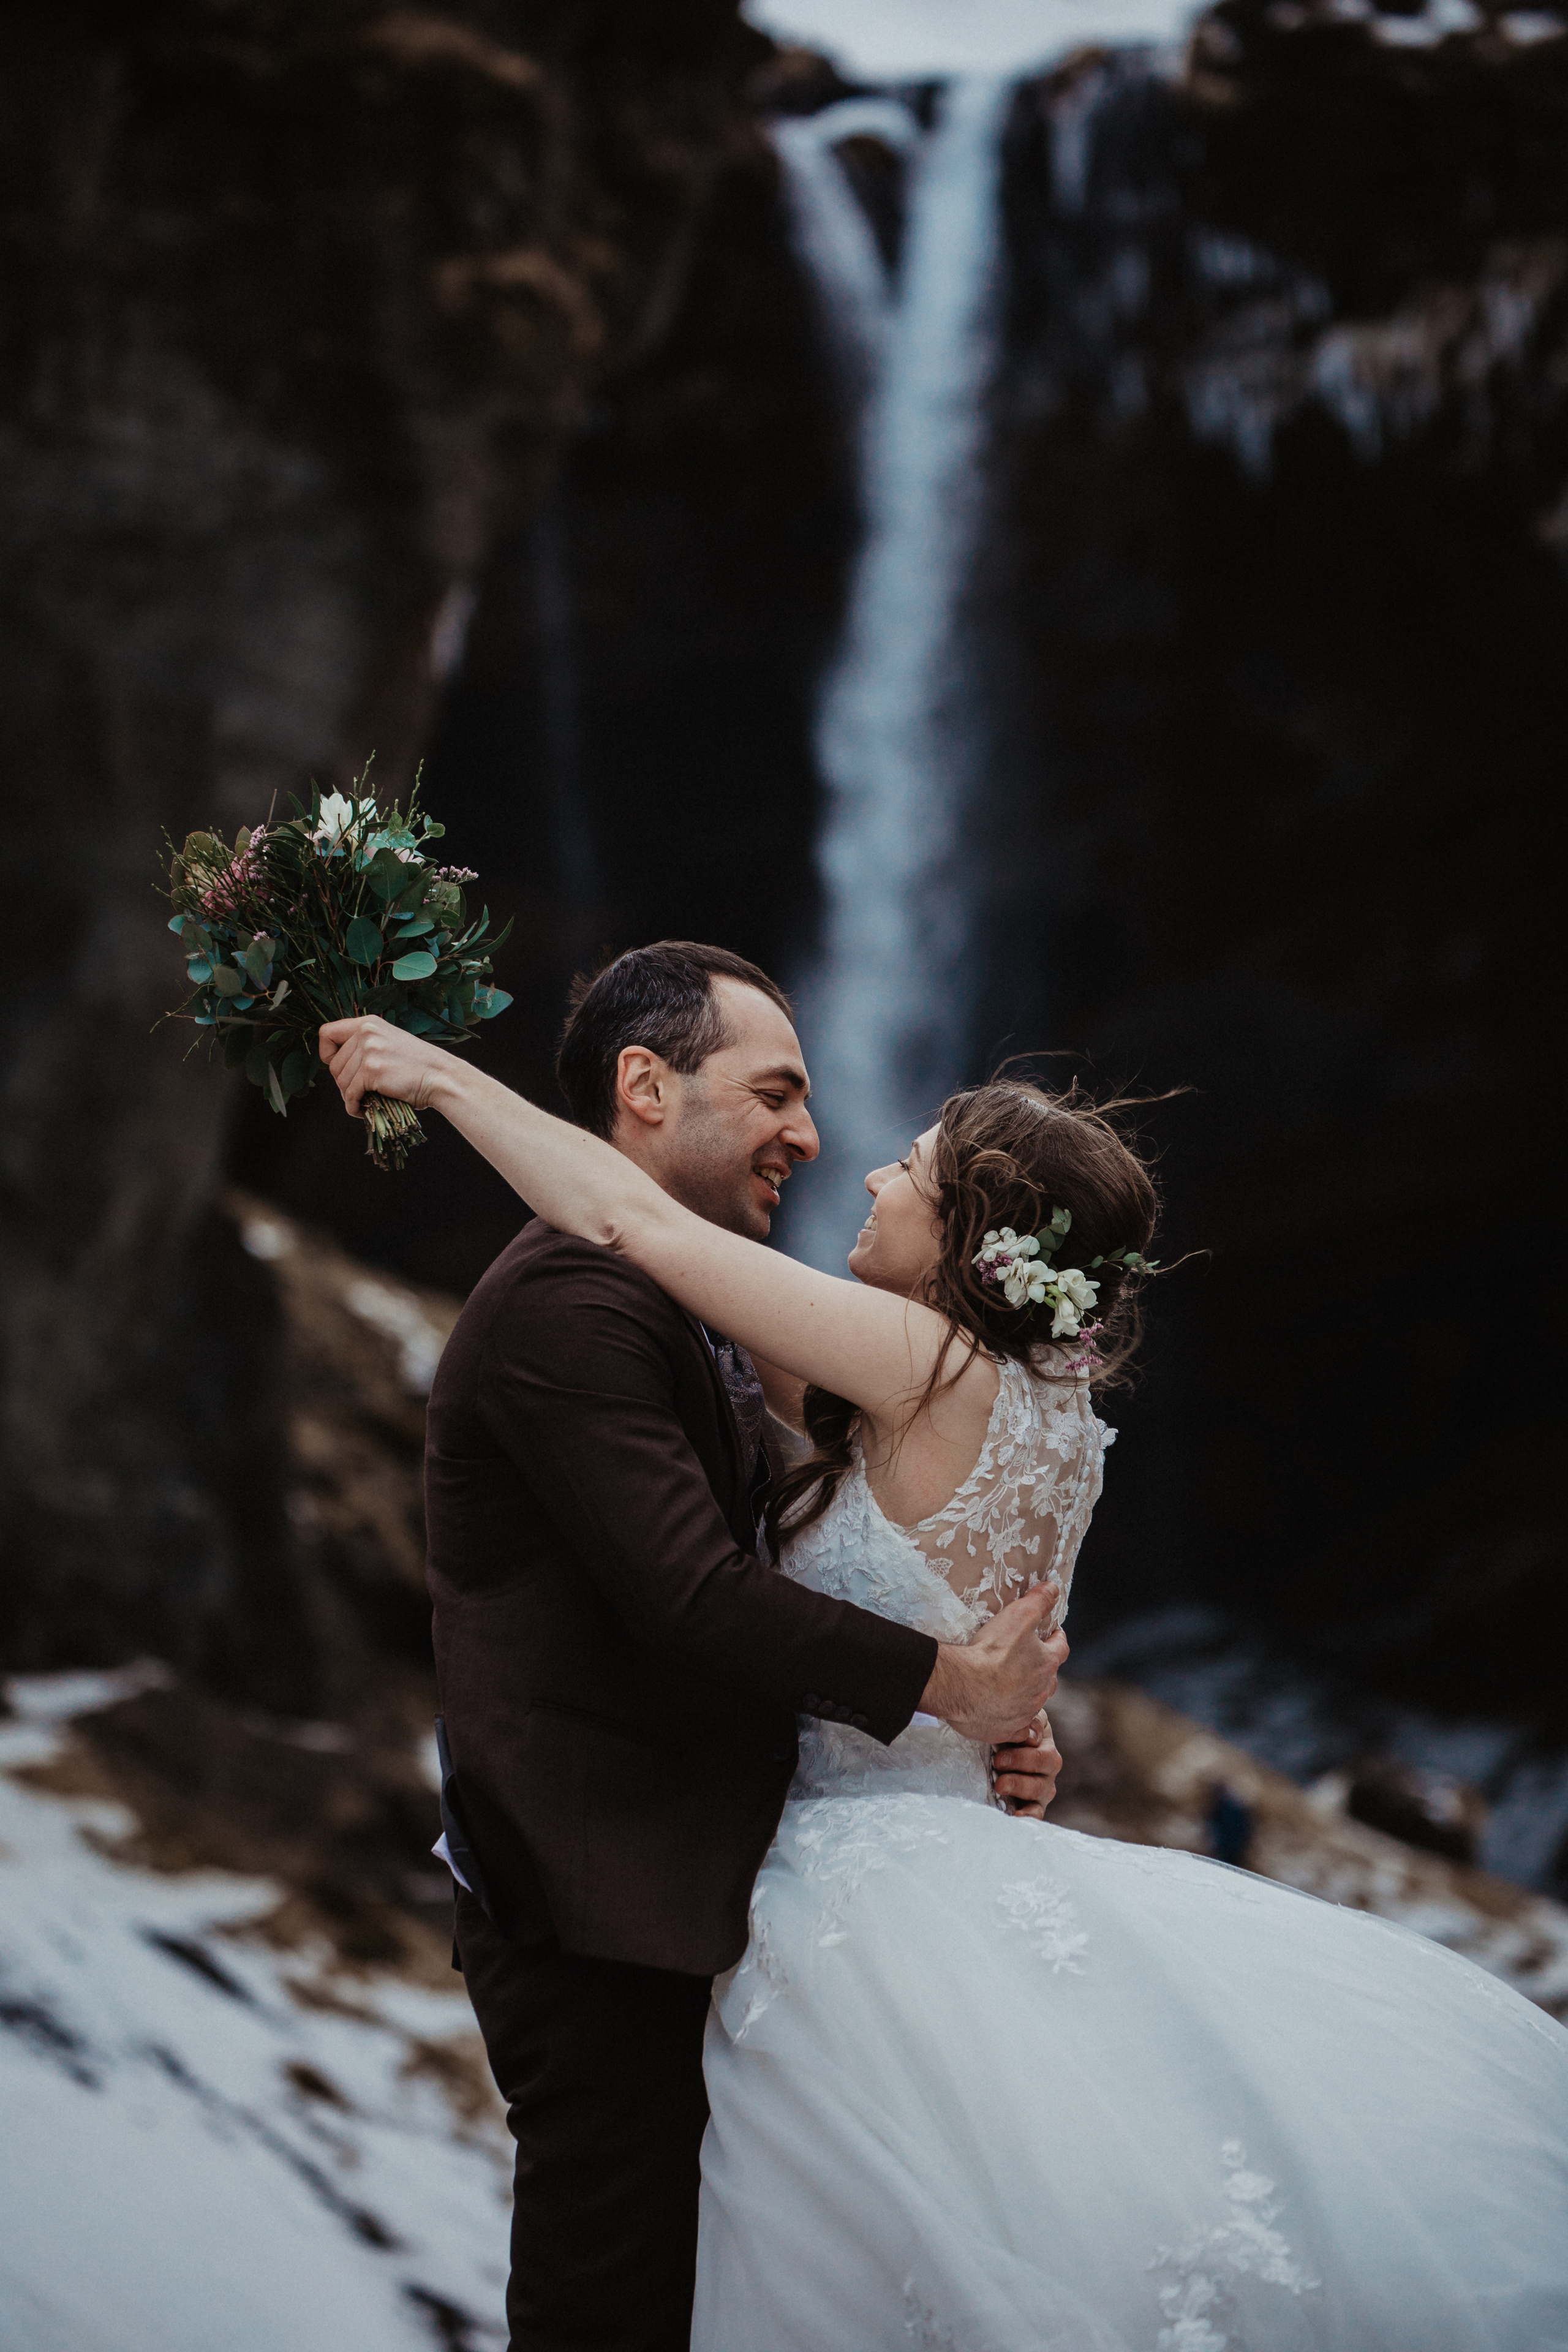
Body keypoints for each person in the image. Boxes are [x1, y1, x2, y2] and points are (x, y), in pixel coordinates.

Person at [323, 986, 1568, 2352]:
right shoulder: (1055, 1415)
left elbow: (636, 1226)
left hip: (843, 1901)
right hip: (940, 1855)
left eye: (907, 1168)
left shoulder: (921, 1361)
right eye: (788, 1100)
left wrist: (438, 1075)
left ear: (972, 1231)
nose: (859, 1170)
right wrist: (989, 1722)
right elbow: (976, 1623)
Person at [322, 944, 1065, 2352]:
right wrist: (951, 1691)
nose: (816, 1139)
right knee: (609, 2308)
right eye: (776, 1092)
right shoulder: (572, 1298)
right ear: (644, 1088)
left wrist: (981, 1722)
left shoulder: (696, 1297)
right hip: (602, 1907)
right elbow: (690, 1592)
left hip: (737, 1901)